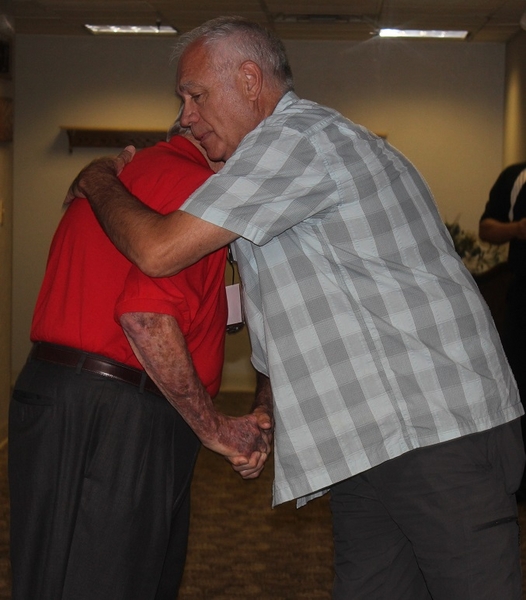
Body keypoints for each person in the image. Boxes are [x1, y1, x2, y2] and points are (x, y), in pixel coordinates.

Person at [66, 17, 525, 600]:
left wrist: (99, 178)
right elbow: (290, 311)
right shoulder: (281, 161)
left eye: (196, 95)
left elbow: (157, 251)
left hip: (435, 428)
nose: (185, 116)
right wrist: (265, 409)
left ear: (250, 79)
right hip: (374, 436)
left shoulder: (297, 142)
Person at [9, 123, 272, 600]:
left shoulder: (126, 175)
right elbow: (147, 319)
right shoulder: (201, 191)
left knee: (52, 579)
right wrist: (215, 427)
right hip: (118, 413)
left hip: (55, 393)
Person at [479, 162, 526, 489]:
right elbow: (486, 229)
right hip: (523, 294)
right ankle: (518, 479)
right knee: (518, 385)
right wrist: (518, 229)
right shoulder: (516, 176)